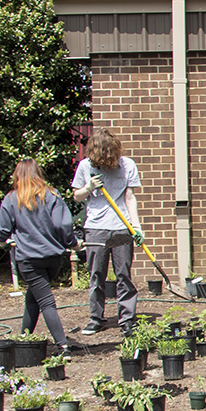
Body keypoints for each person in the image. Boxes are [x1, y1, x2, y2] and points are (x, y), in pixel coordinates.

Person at [0, 159, 78, 355]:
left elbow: (1, 231)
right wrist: (72, 243)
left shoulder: (12, 199)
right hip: (53, 259)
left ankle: (63, 346)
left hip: (29, 260)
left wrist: (4, 239)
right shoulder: (52, 195)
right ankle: (24, 339)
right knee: (33, 298)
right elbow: (62, 226)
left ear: (17, 176)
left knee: (45, 301)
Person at [71, 129, 142, 335]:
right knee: (96, 275)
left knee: (123, 275)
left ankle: (127, 319)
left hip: (122, 227)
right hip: (95, 228)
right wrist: (88, 187)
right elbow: (77, 196)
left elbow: (130, 197)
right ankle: (96, 318)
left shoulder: (127, 164)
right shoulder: (86, 166)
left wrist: (136, 227)